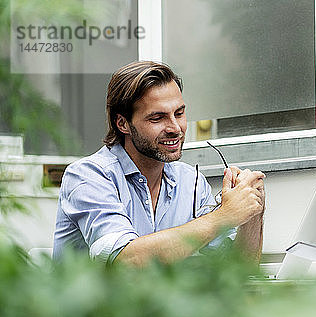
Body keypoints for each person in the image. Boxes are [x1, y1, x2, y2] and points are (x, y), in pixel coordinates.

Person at [53, 61, 265, 267]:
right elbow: (126, 263)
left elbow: (238, 270)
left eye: (179, 113)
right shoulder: (87, 176)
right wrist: (223, 217)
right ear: (123, 123)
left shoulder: (191, 182)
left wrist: (252, 211)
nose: (176, 128)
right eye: (157, 118)